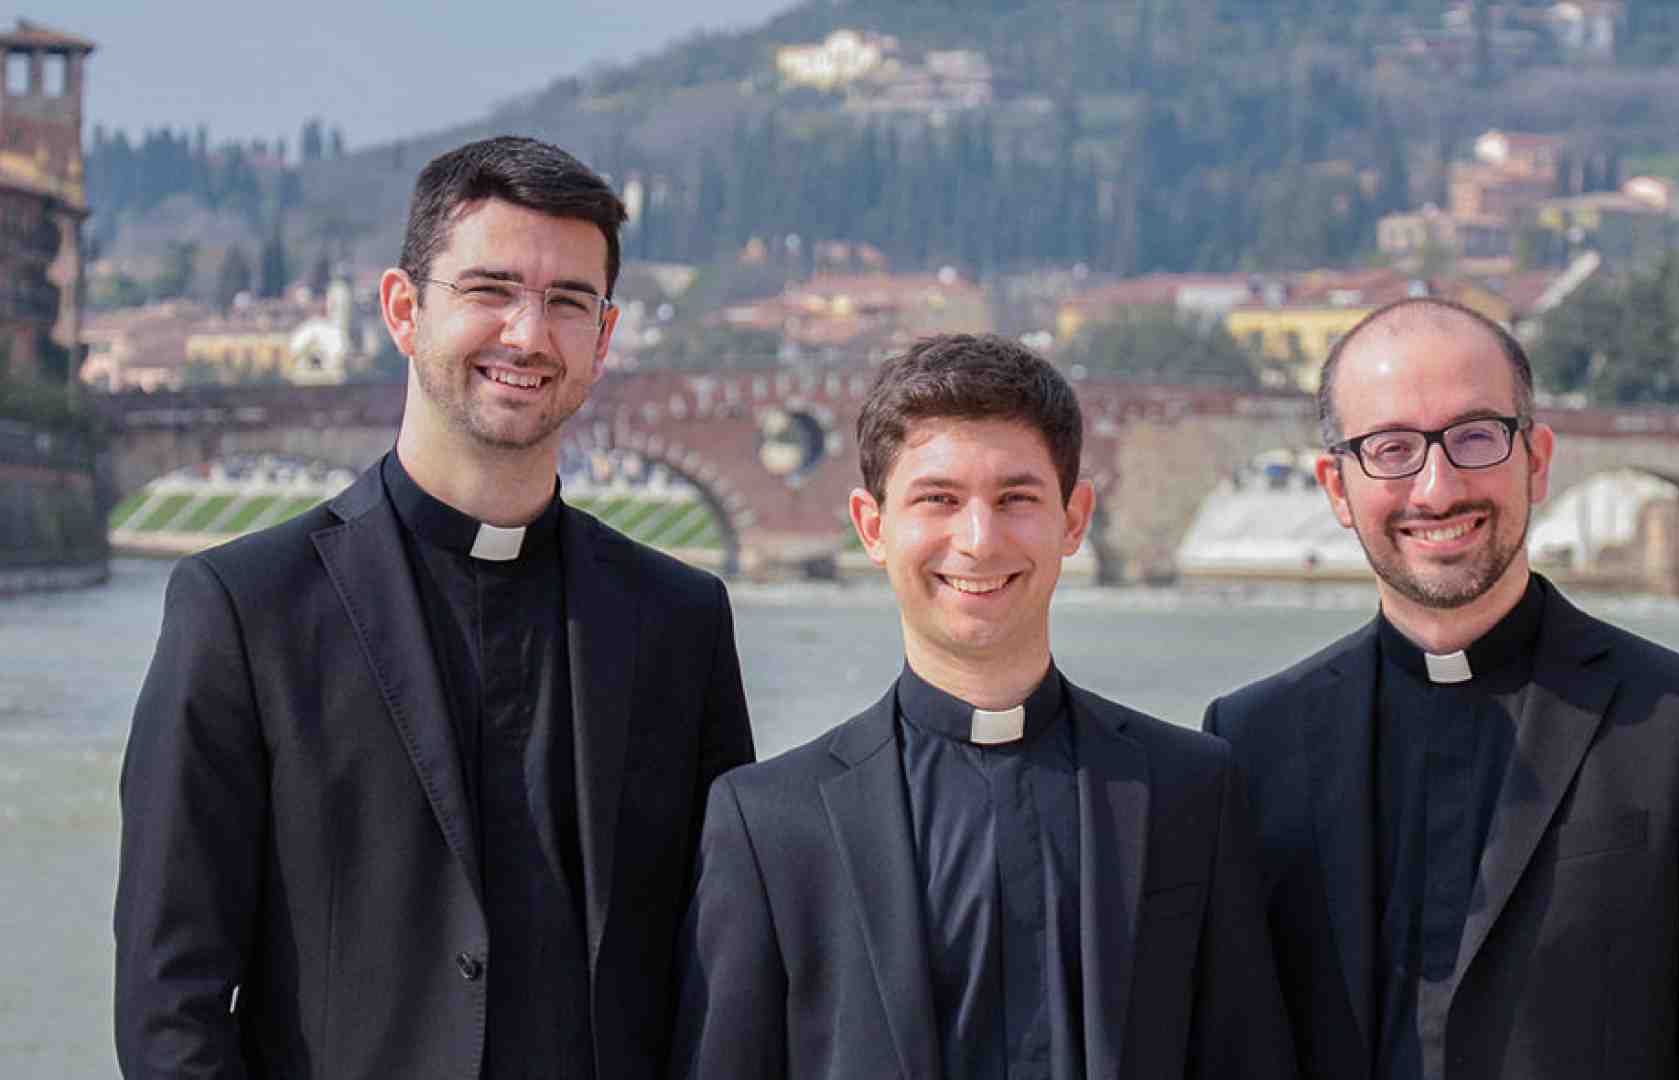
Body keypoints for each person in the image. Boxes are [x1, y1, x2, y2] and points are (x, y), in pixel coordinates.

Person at [114, 135, 755, 1079]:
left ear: (604, 340)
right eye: (490, 290)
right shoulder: (244, 612)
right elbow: (171, 1001)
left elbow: (726, 966)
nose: (528, 335)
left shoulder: (682, 619)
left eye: (567, 302)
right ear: (403, 311)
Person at [1205, 297, 1679, 1080]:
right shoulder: (1251, 743)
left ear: (1536, 458)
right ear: (1335, 487)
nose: (1437, 487)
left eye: (1475, 438)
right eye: (1391, 449)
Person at [671, 334, 1294, 1079]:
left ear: (1073, 518)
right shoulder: (769, 822)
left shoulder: (1190, 790)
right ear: (874, 527)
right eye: (939, 499)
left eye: (1015, 499)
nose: (978, 539)